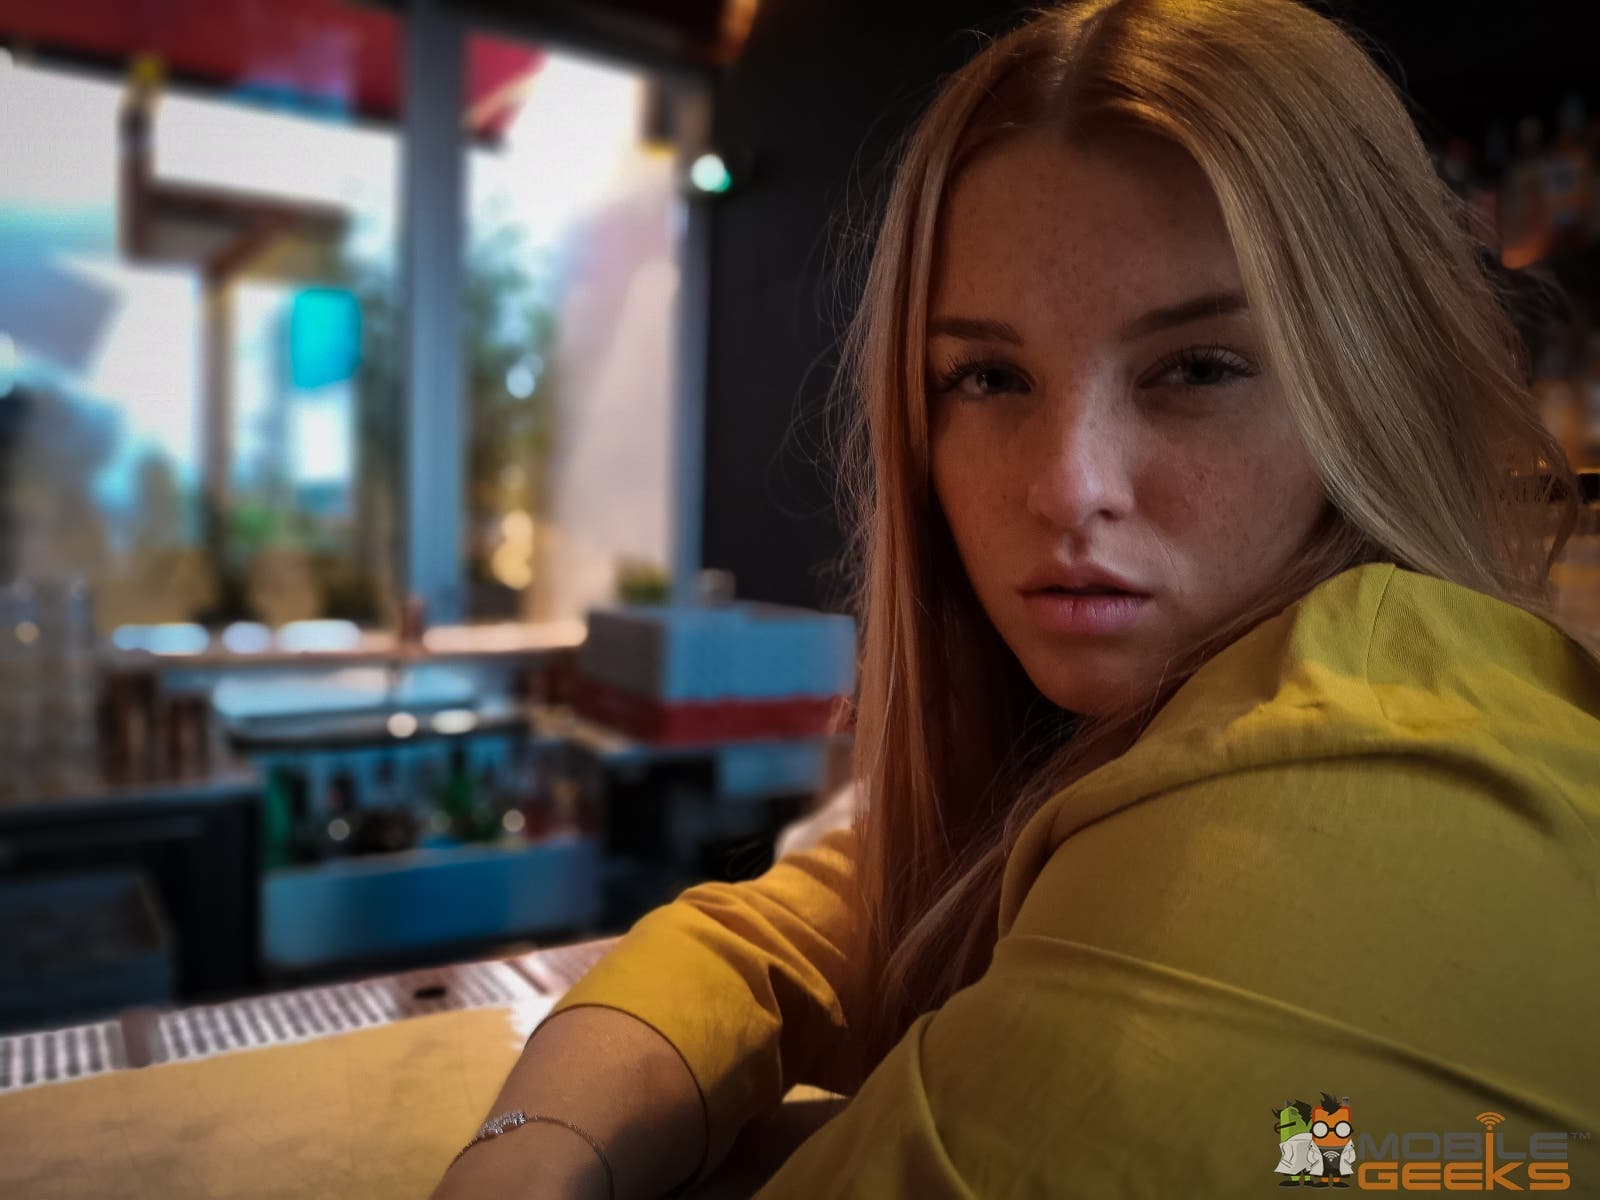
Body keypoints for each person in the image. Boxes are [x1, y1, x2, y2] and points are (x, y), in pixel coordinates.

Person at [432, 1, 1600, 1196]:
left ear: (1373, 385)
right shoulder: (1135, 737)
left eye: (1197, 368)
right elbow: (778, 932)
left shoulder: (1360, 786)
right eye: (988, 376)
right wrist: (536, 1146)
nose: (1067, 485)